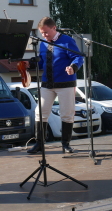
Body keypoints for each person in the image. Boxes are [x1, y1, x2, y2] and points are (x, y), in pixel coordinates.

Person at [27, 17, 84, 154]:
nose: (44, 35)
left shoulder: (67, 40)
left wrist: (73, 67)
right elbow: (42, 63)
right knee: (40, 113)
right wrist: (32, 63)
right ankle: (39, 144)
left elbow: (78, 57)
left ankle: (65, 144)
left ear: (54, 28)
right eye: (42, 33)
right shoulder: (43, 43)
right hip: (47, 84)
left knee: (67, 114)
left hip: (66, 83)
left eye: (46, 32)